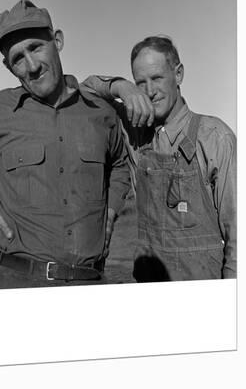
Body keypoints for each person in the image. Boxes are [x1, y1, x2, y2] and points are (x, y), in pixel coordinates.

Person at [0, 0, 132, 288]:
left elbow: (120, 164)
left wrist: (110, 212)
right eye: (18, 58)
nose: (31, 66)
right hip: (17, 282)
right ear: (8, 67)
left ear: (57, 40)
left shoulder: (101, 113)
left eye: (35, 47)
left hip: (92, 283)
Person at [82, 36, 236, 281]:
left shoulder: (215, 137)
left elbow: (237, 236)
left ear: (179, 74)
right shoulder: (135, 134)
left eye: (156, 78)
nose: (149, 91)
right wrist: (122, 87)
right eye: (140, 83)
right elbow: (86, 90)